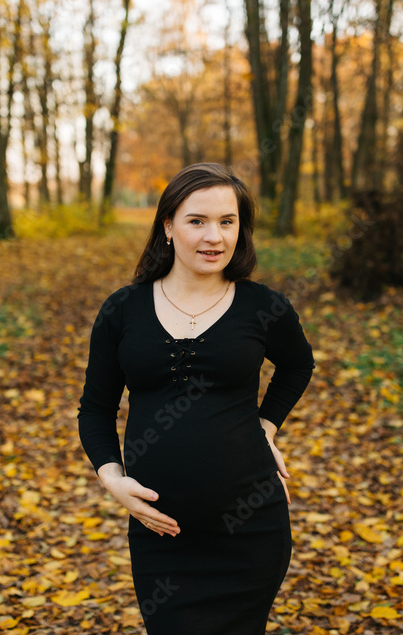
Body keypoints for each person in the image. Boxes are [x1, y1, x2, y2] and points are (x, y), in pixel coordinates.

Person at [76, 162, 316, 634]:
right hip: (162, 533)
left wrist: (264, 428)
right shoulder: (123, 310)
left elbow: (298, 366)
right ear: (168, 226)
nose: (214, 237)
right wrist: (112, 478)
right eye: (197, 221)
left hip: (251, 530)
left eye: (227, 222)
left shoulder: (263, 307)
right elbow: (96, 409)